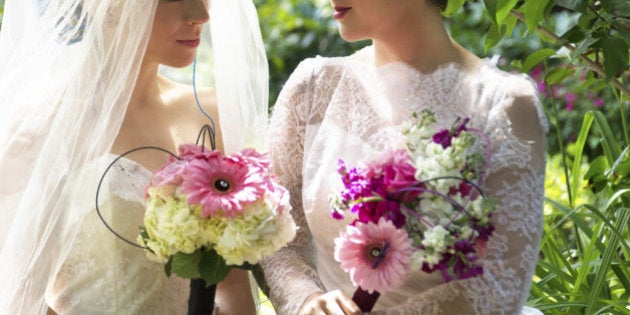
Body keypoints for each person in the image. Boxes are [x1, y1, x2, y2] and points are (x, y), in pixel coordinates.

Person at [260, 0, 548, 314]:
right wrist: (307, 301)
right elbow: (278, 237)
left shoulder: (503, 105)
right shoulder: (314, 88)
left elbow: (498, 285)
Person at [0, 0, 268, 314]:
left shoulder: (209, 113)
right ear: (110, 8)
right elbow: (18, 288)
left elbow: (230, 282)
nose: (202, 15)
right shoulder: (40, 129)